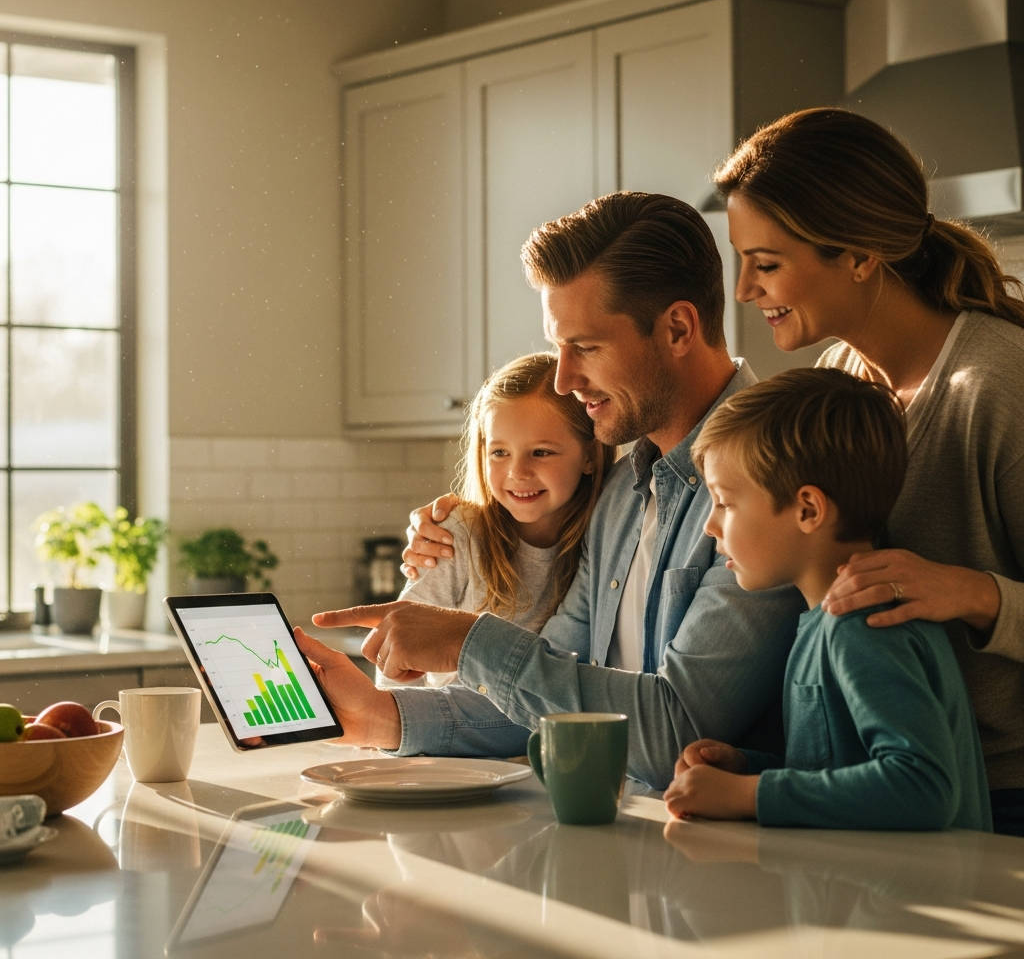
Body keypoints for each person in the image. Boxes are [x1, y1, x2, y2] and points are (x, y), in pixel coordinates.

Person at [295, 192, 803, 788]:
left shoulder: (776, 472)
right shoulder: (619, 494)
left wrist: (467, 642)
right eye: (558, 346)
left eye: (585, 347)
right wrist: (380, 716)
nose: (564, 378)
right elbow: (553, 698)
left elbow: (678, 729)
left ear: (677, 328)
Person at [713, 106, 1024, 836]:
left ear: (857, 255)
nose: (744, 291)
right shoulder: (841, 379)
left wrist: (974, 594)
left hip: (998, 802)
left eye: (766, 263)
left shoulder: (1000, 387)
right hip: (878, 793)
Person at [662, 368, 991, 832]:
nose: (710, 526)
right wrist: (746, 767)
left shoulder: (864, 625)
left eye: (725, 502)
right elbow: (838, 769)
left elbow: (923, 788)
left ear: (808, 510)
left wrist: (747, 795)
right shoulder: (822, 620)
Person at [379, 352, 615, 688]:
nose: (518, 473)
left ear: (590, 456)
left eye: (541, 452)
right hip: (449, 734)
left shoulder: (607, 538)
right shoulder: (457, 536)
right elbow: (396, 652)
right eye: (499, 452)